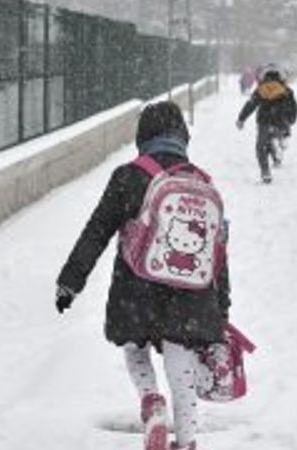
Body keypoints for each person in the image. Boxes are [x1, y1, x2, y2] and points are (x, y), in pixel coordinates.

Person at [55, 101, 231, 450]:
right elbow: (218, 256)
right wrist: (221, 308)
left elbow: (96, 232)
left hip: (135, 290)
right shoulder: (201, 183)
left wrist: (70, 282)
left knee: (136, 349)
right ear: (182, 137)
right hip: (190, 296)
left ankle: (152, 403)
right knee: (181, 365)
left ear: (142, 136)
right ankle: (187, 441)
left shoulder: (128, 176)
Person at [236, 66, 297, 184]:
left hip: (264, 121)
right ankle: (278, 150)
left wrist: (241, 119)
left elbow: (251, 104)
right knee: (274, 138)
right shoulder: (286, 90)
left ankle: (265, 172)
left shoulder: (261, 89)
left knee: (261, 147)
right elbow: (294, 107)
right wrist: (291, 121)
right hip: (280, 121)